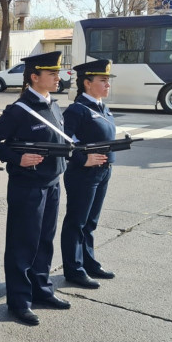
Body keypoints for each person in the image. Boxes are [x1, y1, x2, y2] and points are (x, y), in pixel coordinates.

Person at [0, 51, 72, 327]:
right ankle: (19, 300)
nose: (58, 77)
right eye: (52, 73)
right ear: (35, 77)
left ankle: (41, 289)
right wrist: (17, 158)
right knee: (23, 244)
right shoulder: (20, 110)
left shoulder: (53, 105)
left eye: (58, 73)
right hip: (28, 185)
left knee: (45, 240)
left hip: (52, 183)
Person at [61, 59, 118, 289]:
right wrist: (83, 159)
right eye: (102, 80)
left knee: (90, 222)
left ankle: (88, 261)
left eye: (108, 81)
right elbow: (62, 141)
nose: (107, 85)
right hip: (83, 174)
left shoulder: (101, 106)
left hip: (103, 172)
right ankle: (74, 269)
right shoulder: (78, 109)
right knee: (77, 221)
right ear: (87, 83)